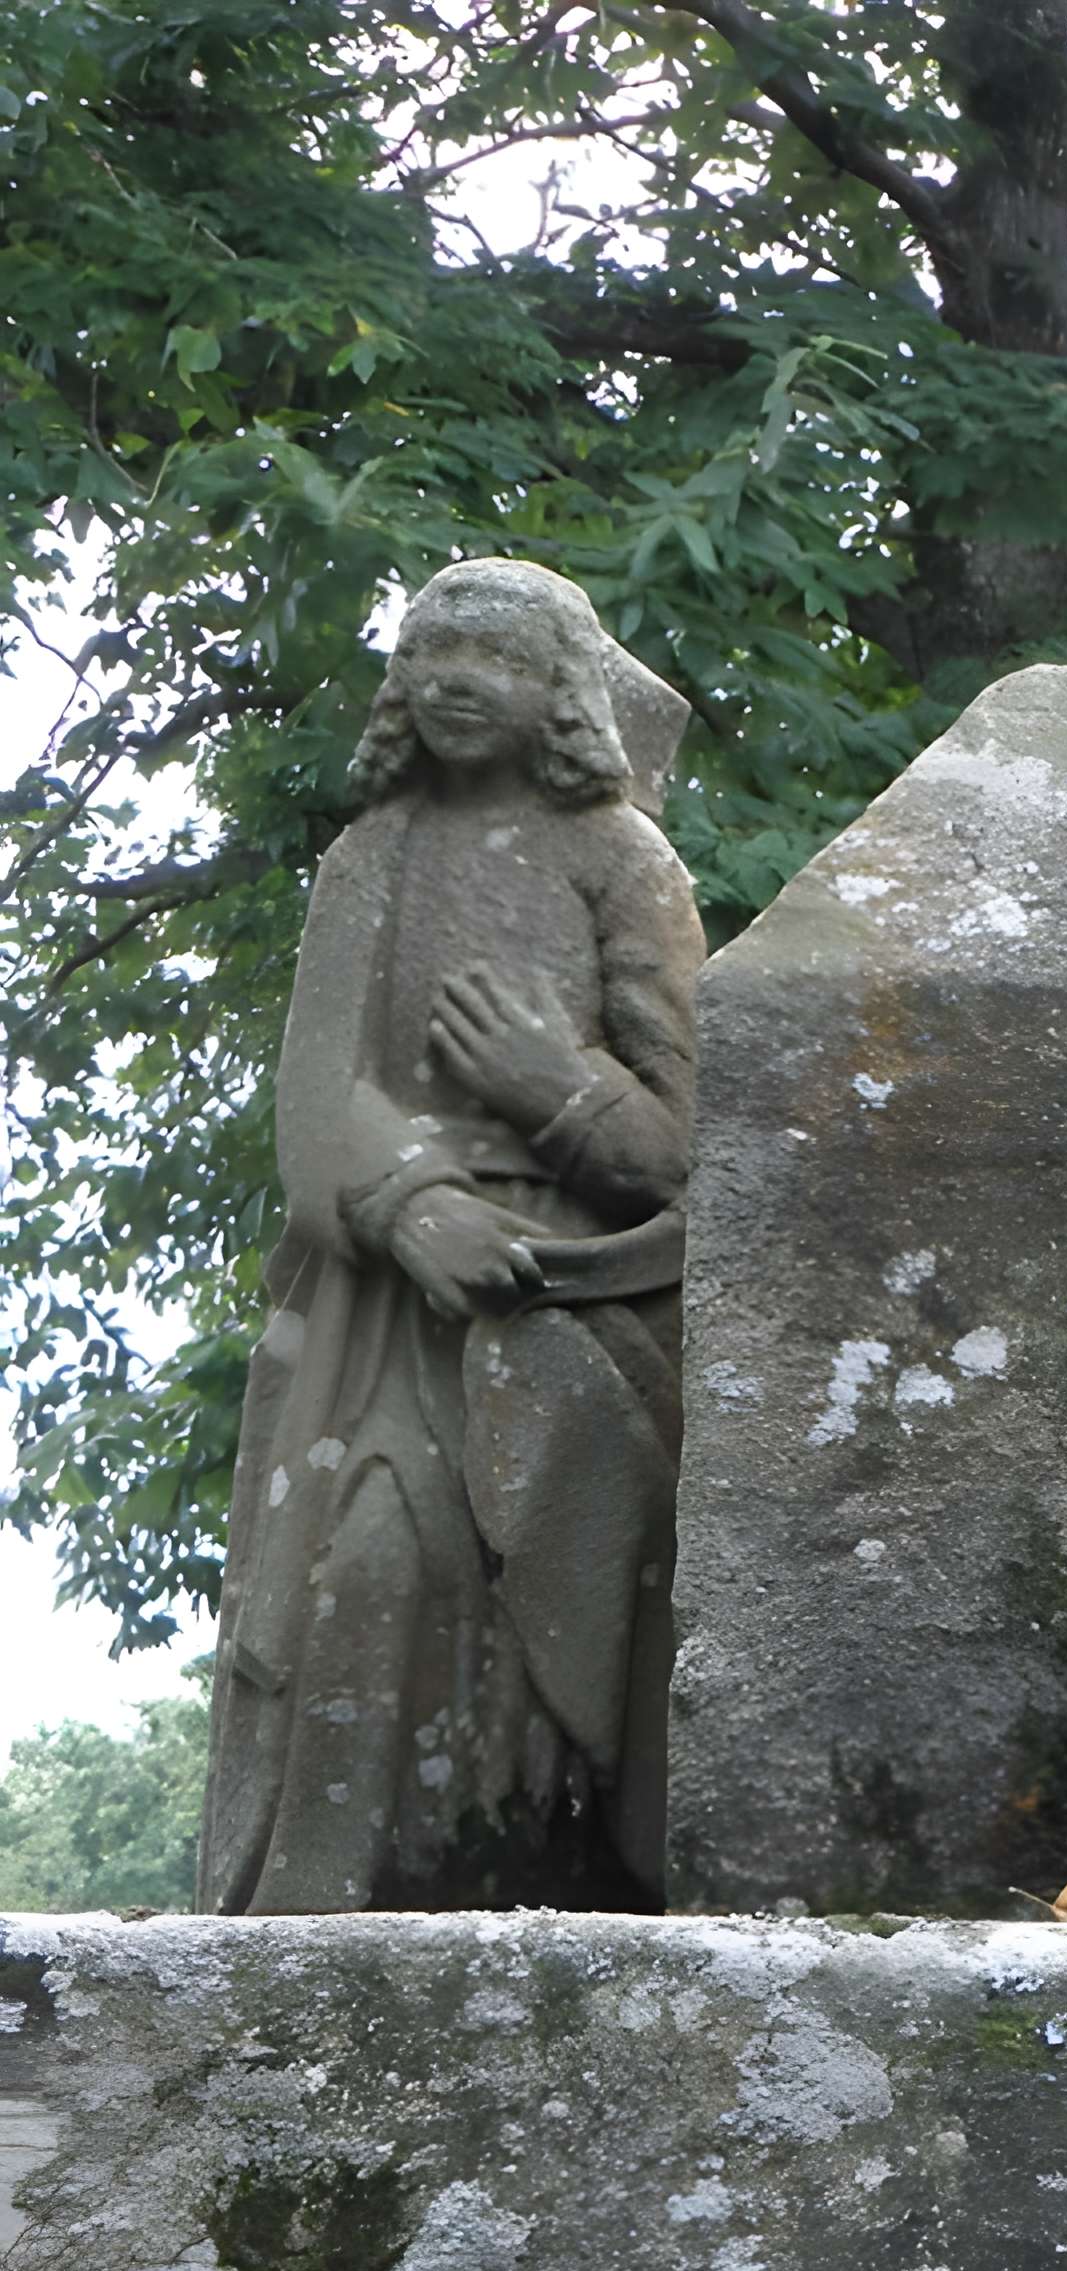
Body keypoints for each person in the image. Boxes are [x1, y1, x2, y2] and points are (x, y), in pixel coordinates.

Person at [198, 560, 701, 1912]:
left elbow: (686, 1152)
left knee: (561, 1618)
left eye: (497, 652)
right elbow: (319, 1089)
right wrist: (413, 1203)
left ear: (564, 694)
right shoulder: (376, 856)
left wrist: (561, 1088)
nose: (459, 677)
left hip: (571, 1305)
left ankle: (549, 1893)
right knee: (365, 1572)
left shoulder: (621, 860)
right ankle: (314, 1930)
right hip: (393, 1309)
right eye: (431, 648)